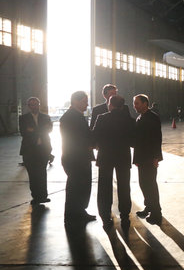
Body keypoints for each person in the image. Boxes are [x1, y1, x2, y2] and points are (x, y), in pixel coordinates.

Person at [92, 95, 135, 229]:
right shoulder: (129, 120)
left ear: (110, 105)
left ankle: (105, 217)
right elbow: (133, 141)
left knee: (104, 187)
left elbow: (94, 137)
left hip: (105, 156)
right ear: (122, 106)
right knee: (124, 186)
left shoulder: (102, 118)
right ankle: (125, 216)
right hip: (123, 156)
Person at [60, 91, 96, 224]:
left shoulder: (76, 116)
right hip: (75, 158)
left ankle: (79, 212)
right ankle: (73, 215)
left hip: (79, 157)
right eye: (84, 101)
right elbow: (76, 138)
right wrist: (91, 143)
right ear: (75, 101)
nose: (87, 104)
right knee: (76, 187)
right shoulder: (71, 117)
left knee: (82, 186)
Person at [133, 94, 163, 225]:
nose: (135, 106)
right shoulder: (140, 117)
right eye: (134, 103)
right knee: (143, 184)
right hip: (142, 157)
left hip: (150, 157)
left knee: (150, 185)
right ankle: (149, 206)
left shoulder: (152, 117)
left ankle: (157, 213)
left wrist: (156, 157)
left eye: (137, 103)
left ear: (145, 103)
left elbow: (157, 138)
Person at [19, 97, 53, 205]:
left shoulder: (46, 117)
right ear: (29, 106)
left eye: (36, 104)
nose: (34, 106)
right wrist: (41, 129)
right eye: (31, 104)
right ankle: (36, 197)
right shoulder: (23, 118)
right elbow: (24, 132)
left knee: (42, 174)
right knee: (33, 175)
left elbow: (49, 129)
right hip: (29, 151)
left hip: (43, 150)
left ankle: (43, 196)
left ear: (39, 105)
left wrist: (33, 130)